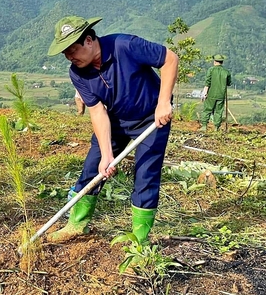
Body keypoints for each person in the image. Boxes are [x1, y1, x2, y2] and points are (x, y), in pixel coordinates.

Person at [46, 15, 178, 245]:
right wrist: (107, 155)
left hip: (151, 120)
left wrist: (164, 102)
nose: (69, 57)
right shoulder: (77, 73)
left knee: (146, 175)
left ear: (88, 40)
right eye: (64, 53)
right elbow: (97, 111)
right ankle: (77, 224)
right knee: (92, 168)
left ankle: (139, 241)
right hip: (115, 119)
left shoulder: (125, 46)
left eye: (71, 50)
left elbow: (170, 59)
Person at [200, 54, 232, 131]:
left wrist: (204, 92)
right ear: (222, 62)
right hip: (221, 95)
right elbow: (229, 83)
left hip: (211, 94)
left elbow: (207, 82)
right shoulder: (226, 72)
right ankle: (216, 127)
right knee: (219, 111)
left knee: (207, 109)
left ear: (214, 61)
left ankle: (204, 126)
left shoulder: (211, 70)